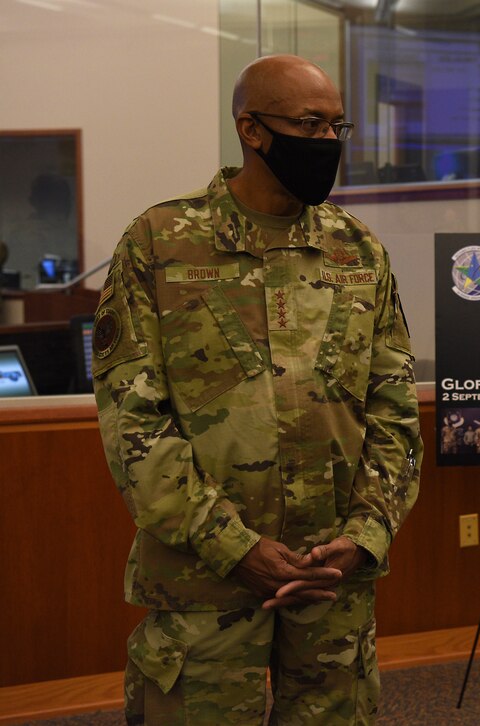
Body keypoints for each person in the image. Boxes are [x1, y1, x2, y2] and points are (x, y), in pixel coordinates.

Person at [91, 54, 423, 724]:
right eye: (310, 124)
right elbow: (134, 423)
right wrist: (232, 546)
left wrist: (365, 533)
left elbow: (394, 413)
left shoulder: (358, 252)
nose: (327, 142)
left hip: (332, 578)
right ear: (252, 129)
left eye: (337, 127)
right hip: (206, 580)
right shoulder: (160, 244)